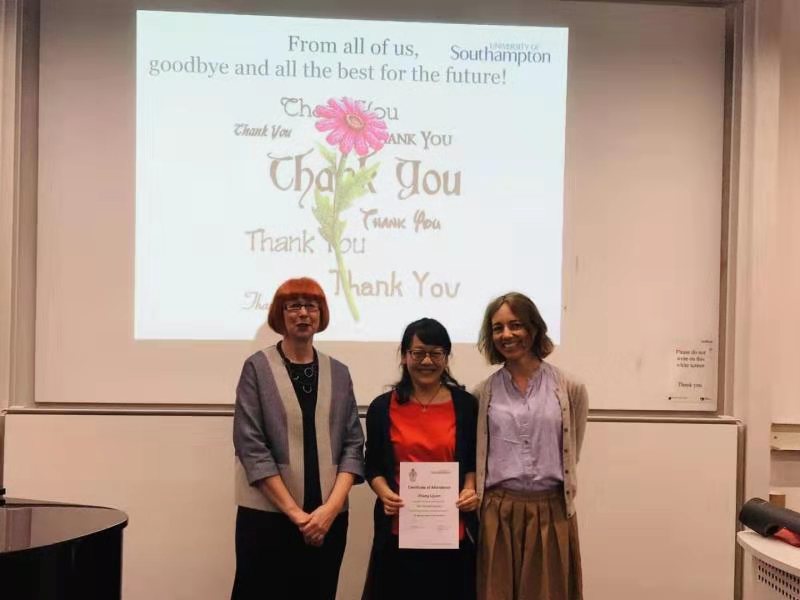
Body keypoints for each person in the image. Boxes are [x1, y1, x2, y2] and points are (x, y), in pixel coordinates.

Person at [231, 277, 365, 600]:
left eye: (312, 306)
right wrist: (297, 515)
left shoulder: (339, 372)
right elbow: (251, 447)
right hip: (267, 520)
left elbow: (353, 445)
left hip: (328, 521)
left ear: (321, 314)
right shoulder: (256, 368)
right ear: (280, 314)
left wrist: (329, 511)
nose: (303, 313)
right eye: (294, 306)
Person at [475, 292, 588, 600]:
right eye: (497, 328)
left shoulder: (570, 389)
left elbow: (572, 450)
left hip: (551, 512)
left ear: (534, 328)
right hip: (498, 513)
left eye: (516, 325)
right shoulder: (481, 394)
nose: (506, 335)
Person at [362, 318, 479, 600]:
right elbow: (372, 464)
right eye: (418, 353)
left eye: (436, 353)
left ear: (446, 358)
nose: (427, 361)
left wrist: (470, 489)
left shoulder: (466, 405)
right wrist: (384, 492)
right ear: (405, 356)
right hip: (398, 529)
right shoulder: (381, 407)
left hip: (452, 530)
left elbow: (473, 460)